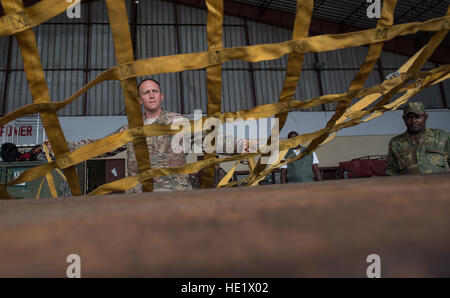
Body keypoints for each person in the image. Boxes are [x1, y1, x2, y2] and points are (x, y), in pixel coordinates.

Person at [46, 78, 249, 192]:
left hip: (174, 196)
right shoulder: (131, 129)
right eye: (146, 92)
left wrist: (243, 145)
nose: (151, 94)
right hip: (138, 197)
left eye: (154, 91)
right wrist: (63, 148)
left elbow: (210, 140)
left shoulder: (177, 123)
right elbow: (101, 147)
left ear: (161, 96)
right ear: (140, 100)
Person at [386, 101, 449, 176]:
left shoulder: (441, 136)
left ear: (425, 117)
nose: (413, 120)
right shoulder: (396, 143)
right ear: (404, 118)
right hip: (409, 186)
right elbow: (392, 172)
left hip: (441, 186)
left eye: (418, 117)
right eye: (409, 117)